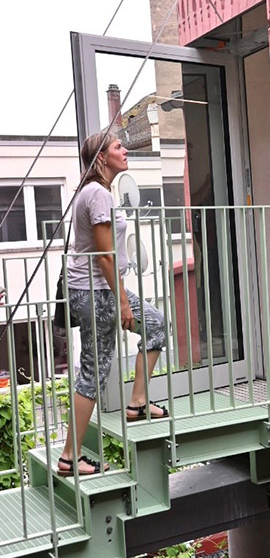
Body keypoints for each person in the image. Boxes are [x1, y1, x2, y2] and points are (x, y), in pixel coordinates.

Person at [57, 132, 168, 477]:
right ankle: (70, 457)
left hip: (96, 290)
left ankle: (137, 403)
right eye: (118, 146)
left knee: (155, 325)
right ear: (102, 157)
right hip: (98, 293)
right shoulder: (97, 194)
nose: (126, 150)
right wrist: (122, 302)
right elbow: (105, 255)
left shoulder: (96, 192)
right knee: (94, 371)